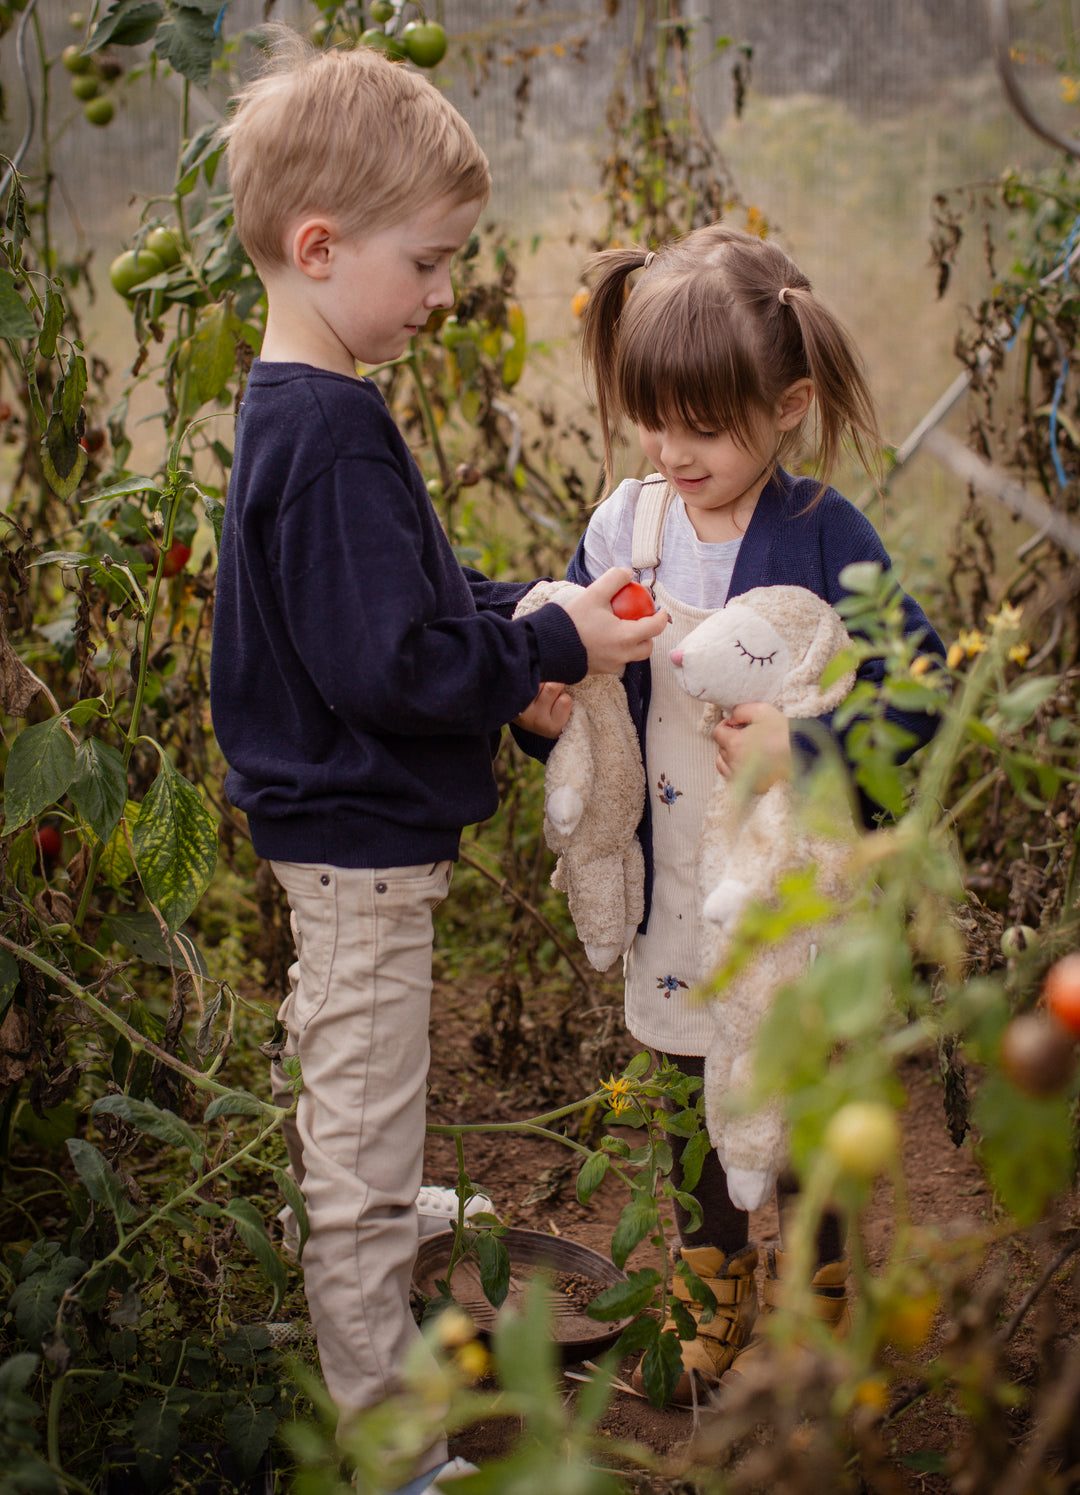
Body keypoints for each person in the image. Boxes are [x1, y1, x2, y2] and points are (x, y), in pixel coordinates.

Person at [209, 32, 667, 1492]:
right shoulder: (335, 432)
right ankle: (386, 1445)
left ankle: (372, 1194)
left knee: (358, 1054)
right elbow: (385, 666)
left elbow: (402, 603)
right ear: (319, 245)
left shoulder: (303, 405)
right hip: (358, 844)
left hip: (344, 838)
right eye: (427, 262)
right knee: (358, 1102)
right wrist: (538, 651)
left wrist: (526, 614)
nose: (443, 292)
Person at [558, 224, 944, 1404]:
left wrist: (805, 745)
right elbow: (583, 673)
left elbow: (920, 687)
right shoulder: (627, 528)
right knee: (689, 1086)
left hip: (791, 893)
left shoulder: (825, 533)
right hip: (678, 878)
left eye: (705, 427)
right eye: (652, 419)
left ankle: (823, 1295)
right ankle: (712, 1289)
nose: (673, 451)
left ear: (786, 408)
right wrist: (552, 688)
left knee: (805, 1092)